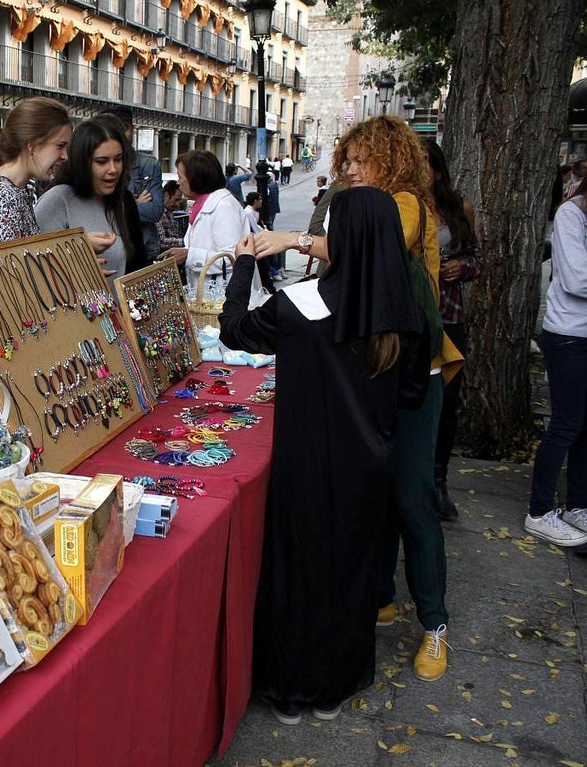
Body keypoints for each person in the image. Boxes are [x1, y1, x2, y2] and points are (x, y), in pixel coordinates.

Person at [254, 115, 464, 683]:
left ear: (389, 158)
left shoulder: (400, 206)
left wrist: (290, 239)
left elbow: (361, 246)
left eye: (357, 158)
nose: (347, 168)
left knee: (412, 499)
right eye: (345, 159)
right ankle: (378, 597)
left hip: (411, 375)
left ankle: (436, 623)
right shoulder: (367, 203)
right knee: (374, 491)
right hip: (377, 376)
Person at [219, 187, 428, 726]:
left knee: (298, 572)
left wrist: (244, 265)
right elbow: (412, 396)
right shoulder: (403, 314)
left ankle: (289, 687)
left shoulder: (301, 307)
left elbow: (235, 329)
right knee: (349, 573)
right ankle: (334, 685)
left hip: (305, 465)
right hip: (368, 469)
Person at [525, 180, 587, 547]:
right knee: (566, 422)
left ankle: (578, 505)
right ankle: (539, 510)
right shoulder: (569, 215)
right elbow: (578, 281)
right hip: (568, 335)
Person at [424, 140, 480, 521]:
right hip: (413, 316)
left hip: (449, 314)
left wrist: (462, 268)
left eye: (425, 165)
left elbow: (475, 256)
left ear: (438, 170)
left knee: (446, 402)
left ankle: (438, 481)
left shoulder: (458, 208)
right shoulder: (398, 205)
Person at [35, 114, 137, 280]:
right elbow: (34, 268)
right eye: (102, 161)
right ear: (82, 162)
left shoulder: (116, 201)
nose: (113, 169)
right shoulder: (57, 200)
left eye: (118, 159)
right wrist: (78, 252)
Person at [0, 96, 71, 248]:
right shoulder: (2, 197)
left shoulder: (14, 191)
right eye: (60, 146)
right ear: (33, 146)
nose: (65, 156)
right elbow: (7, 269)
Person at [157, 149, 247, 297]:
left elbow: (235, 257)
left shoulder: (223, 207)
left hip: (224, 297)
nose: (178, 183)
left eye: (180, 177)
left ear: (195, 178)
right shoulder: (202, 204)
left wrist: (189, 256)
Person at [98, 106, 163, 264]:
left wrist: (123, 207)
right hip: (110, 251)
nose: (112, 169)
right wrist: (132, 205)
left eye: (124, 128)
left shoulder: (148, 164)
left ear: (132, 129)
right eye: (102, 161)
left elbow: (155, 211)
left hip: (144, 249)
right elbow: (99, 210)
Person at [156, 180, 186, 252]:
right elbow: (162, 241)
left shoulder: (170, 213)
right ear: (166, 195)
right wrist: (185, 241)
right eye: (176, 200)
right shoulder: (158, 213)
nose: (178, 204)